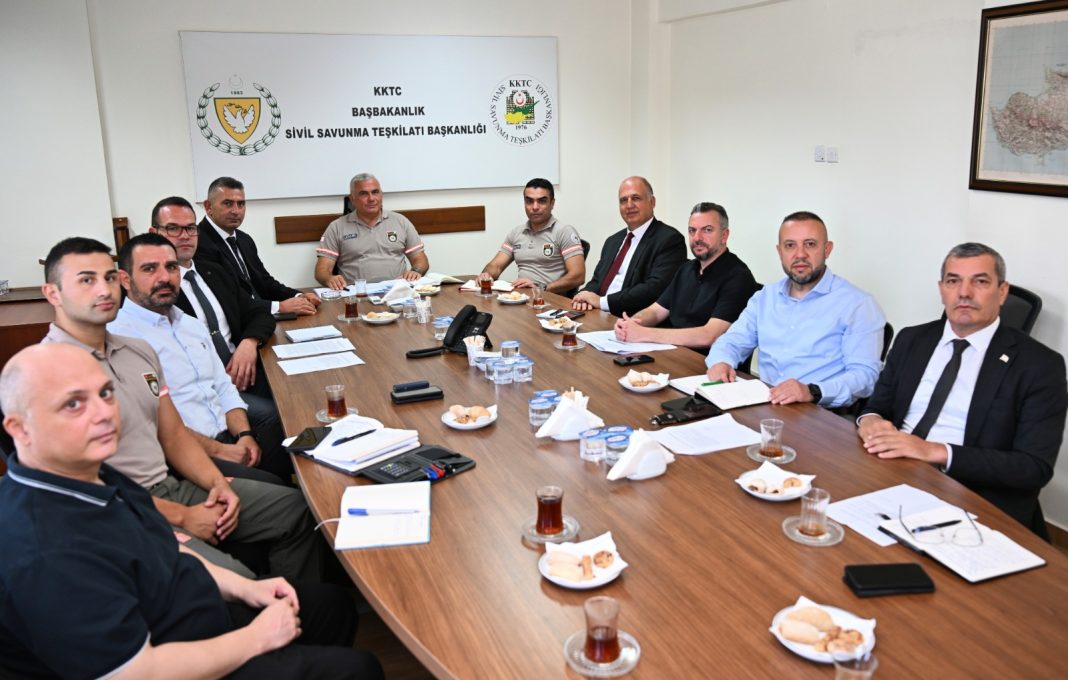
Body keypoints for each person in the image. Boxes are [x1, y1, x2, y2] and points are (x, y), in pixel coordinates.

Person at [0, 343, 383, 679]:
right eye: (73, 404)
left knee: (332, 607)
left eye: (105, 393)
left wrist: (246, 588)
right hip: (168, 658)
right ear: (19, 429)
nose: (104, 414)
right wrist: (257, 638)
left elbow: (164, 543)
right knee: (359, 669)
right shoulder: (41, 550)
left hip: (190, 608)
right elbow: (134, 672)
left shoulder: (86, 471)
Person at [41, 237, 320, 580]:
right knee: (239, 580)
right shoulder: (45, 373)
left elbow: (172, 433)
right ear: (52, 293)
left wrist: (218, 483)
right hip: (123, 511)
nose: (103, 289)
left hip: (171, 480)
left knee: (297, 504)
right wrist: (182, 515)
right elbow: (80, 491)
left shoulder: (137, 350)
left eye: (108, 277)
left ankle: (299, 600)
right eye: (87, 280)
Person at [858, 243, 1067, 539]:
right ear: (941, 289)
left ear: (1002, 292)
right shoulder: (912, 339)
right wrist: (869, 420)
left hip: (968, 493)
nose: (964, 293)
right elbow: (876, 407)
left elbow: (1033, 467)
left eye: (980, 282)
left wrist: (934, 451)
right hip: (892, 470)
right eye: (953, 281)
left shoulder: (1040, 365)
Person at [109, 233, 292, 483]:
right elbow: (154, 426)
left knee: (297, 452)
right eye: (149, 269)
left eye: (171, 267)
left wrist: (244, 435)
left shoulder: (191, 325)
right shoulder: (119, 338)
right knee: (281, 490)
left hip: (227, 434)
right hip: (186, 455)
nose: (164, 277)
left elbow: (223, 387)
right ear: (125, 279)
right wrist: (222, 450)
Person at [149, 196, 292, 483]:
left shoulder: (213, 271)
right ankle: (275, 484)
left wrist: (248, 342)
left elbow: (258, 311)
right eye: (173, 228)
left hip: (241, 366)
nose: (185, 236)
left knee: (298, 391)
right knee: (275, 414)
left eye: (191, 228)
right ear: (155, 233)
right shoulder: (157, 292)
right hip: (208, 383)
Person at [706, 211, 885, 409]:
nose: (800, 254)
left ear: (827, 249)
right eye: (790, 245)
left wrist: (812, 391)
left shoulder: (858, 305)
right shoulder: (765, 297)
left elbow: (865, 377)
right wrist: (721, 362)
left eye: (810, 244)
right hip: (765, 406)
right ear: (779, 251)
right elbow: (731, 342)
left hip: (819, 413)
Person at [614, 202, 758, 352]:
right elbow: (656, 311)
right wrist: (631, 324)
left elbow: (709, 336)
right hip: (673, 353)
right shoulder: (686, 269)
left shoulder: (739, 277)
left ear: (724, 235)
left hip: (707, 362)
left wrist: (644, 334)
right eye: (692, 230)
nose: (697, 237)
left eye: (707, 230)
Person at [195, 176, 320, 315]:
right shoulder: (198, 243)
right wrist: (279, 307)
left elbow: (264, 281)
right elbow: (225, 297)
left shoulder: (244, 239)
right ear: (208, 207)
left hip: (260, 315)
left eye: (241, 204)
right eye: (228, 203)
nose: (236, 211)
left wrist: (298, 296)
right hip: (237, 322)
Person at [573, 176, 686, 316]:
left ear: (652, 202)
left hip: (632, 319)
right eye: (623, 200)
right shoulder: (612, 241)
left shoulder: (669, 239)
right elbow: (597, 281)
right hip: (597, 314)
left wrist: (602, 302)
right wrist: (583, 296)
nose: (629, 205)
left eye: (636, 198)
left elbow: (654, 289)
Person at [315, 173, 429, 286]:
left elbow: (420, 259)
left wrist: (416, 271)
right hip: (357, 292)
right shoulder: (336, 227)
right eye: (363, 194)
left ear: (381, 195)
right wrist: (329, 278)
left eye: (375, 192)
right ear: (352, 199)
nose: (371, 199)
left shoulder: (400, 221)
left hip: (397, 290)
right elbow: (322, 270)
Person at [478, 178, 586, 294]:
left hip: (549, 298)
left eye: (542, 201)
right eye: (529, 201)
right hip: (521, 297)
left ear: (552, 203)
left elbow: (578, 276)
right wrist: (487, 275)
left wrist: (541, 288)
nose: (535, 207)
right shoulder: (517, 233)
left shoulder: (564, 232)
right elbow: (496, 266)